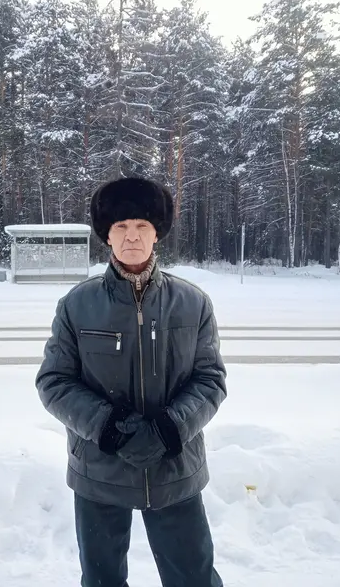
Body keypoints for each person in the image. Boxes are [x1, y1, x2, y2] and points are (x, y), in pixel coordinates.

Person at [36, 176, 227, 587]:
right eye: (121, 226)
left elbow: (210, 379)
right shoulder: (77, 305)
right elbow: (54, 381)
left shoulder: (192, 303)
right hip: (99, 470)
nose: (132, 236)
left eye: (142, 225)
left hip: (174, 468)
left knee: (193, 578)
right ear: (107, 235)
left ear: (158, 232)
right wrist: (108, 427)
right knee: (102, 580)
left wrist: (170, 428)